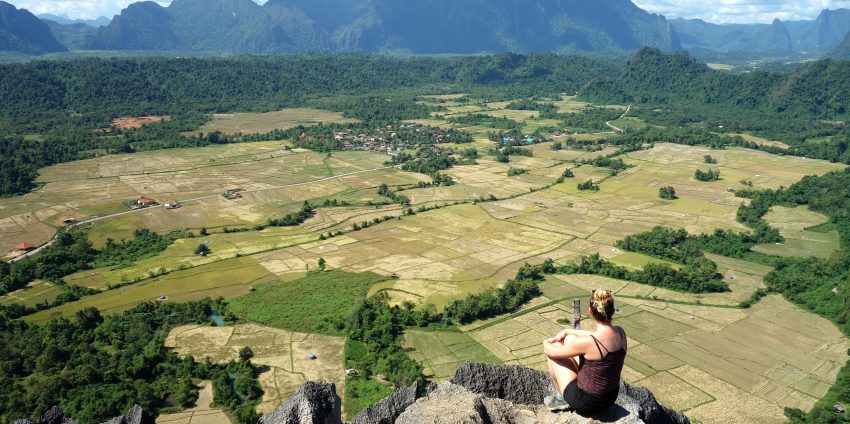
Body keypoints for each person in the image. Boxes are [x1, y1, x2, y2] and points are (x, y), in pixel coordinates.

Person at [542, 289, 627, 415]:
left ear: (590, 311)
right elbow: (596, 336)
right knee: (570, 339)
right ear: (613, 311)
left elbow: (552, 352)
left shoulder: (590, 343)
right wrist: (568, 331)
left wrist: (546, 342)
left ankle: (561, 398)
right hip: (609, 398)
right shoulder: (621, 333)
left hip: (587, 403)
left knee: (554, 352)